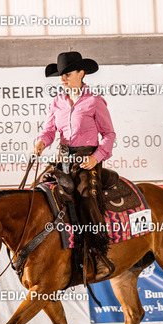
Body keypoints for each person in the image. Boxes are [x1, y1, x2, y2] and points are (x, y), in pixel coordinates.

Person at [33, 51, 116, 278]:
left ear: (81, 73)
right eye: (61, 75)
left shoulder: (94, 102)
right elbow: (49, 131)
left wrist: (96, 157)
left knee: (86, 197)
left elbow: (108, 134)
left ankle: (98, 253)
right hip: (64, 158)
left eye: (67, 74)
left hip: (87, 158)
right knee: (39, 189)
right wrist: (41, 142)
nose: (63, 79)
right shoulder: (57, 102)